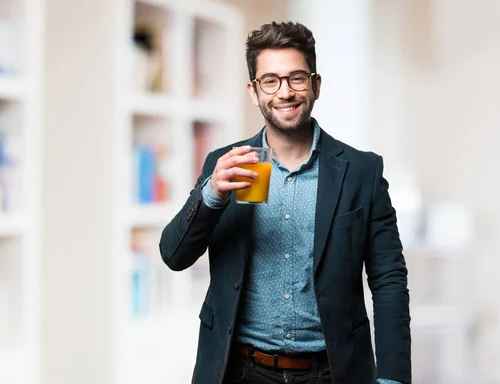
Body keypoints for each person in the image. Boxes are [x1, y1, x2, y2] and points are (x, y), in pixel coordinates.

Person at [159, 21, 411, 384]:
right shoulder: (227, 164)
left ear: (315, 85)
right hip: (240, 370)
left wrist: (392, 377)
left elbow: (388, 280)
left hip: (332, 371)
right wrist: (211, 194)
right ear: (254, 91)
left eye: (296, 78)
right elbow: (173, 255)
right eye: (271, 81)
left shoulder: (361, 171)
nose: (285, 93)